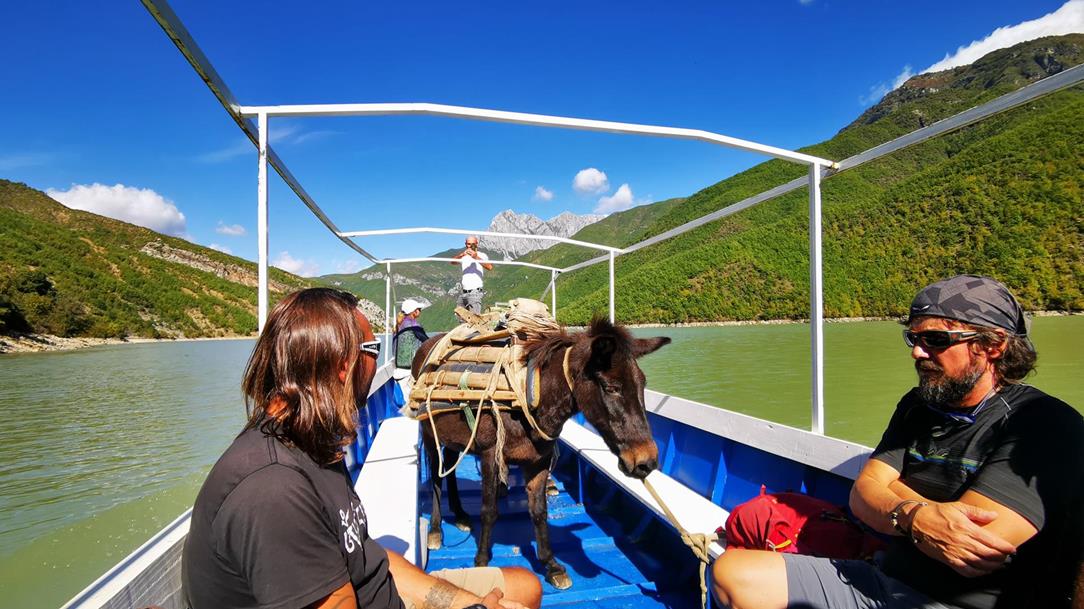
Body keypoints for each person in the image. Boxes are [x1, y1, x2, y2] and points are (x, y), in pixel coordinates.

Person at [710, 275, 1084, 609]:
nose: (917, 352)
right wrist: (915, 516)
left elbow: (971, 545)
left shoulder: (1041, 423)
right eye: (914, 337)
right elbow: (862, 495)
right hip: (885, 578)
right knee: (732, 572)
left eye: (936, 340)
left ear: (993, 345)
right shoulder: (919, 405)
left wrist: (891, 495)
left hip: (952, 601)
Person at [182, 287, 542, 609]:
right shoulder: (273, 489)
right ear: (344, 366)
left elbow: (364, 554)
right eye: (372, 349)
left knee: (525, 585)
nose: (376, 360)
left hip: (381, 589)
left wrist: (464, 603)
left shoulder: (312, 440)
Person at [450, 236, 492, 315]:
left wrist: (476, 257)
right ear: (466, 244)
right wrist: (461, 255)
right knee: (460, 317)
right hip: (464, 292)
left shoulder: (482, 255)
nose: (471, 246)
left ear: (477, 244)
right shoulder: (464, 256)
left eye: (473, 244)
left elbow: (489, 267)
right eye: (469, 244)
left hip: (475, 292)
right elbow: (452, 262)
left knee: (474, 319)